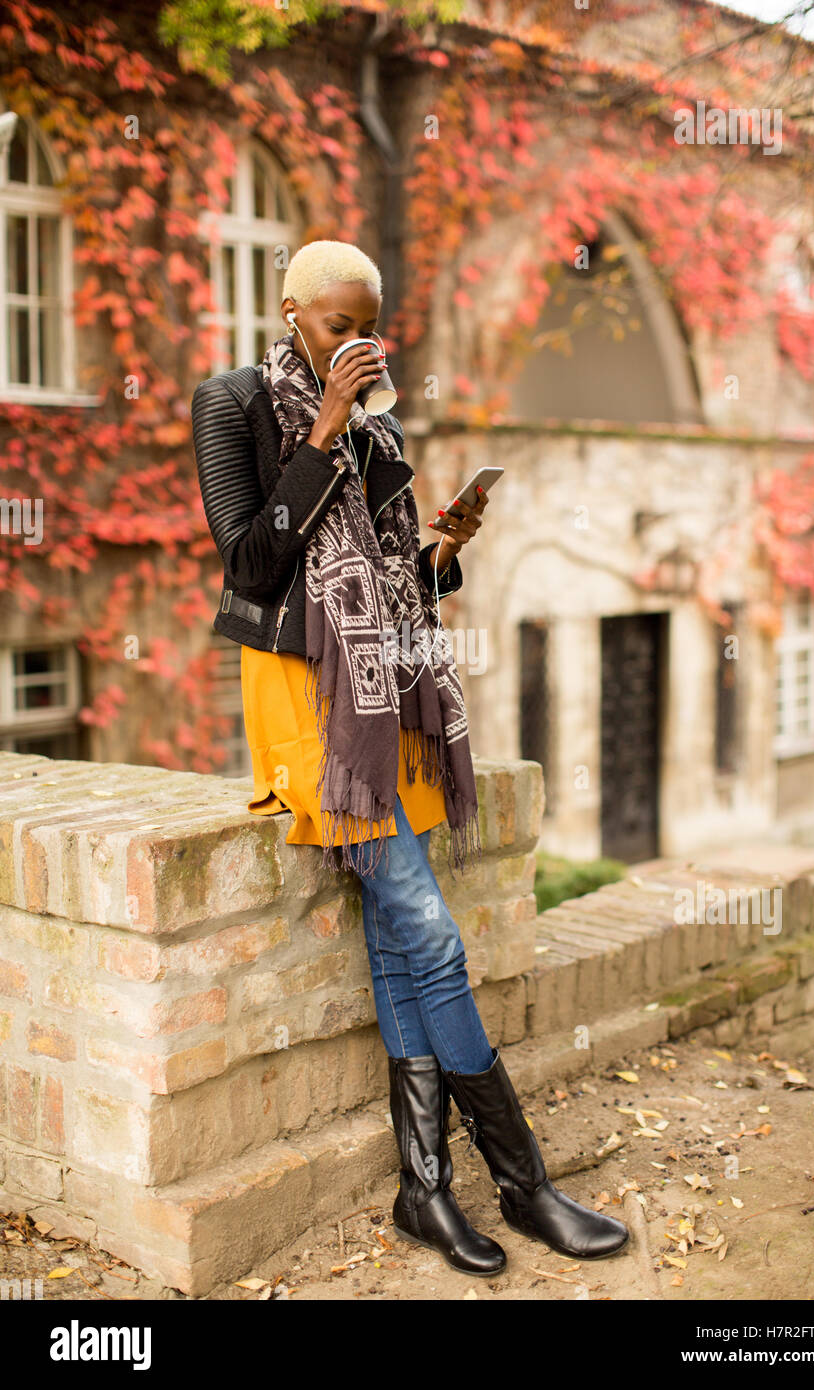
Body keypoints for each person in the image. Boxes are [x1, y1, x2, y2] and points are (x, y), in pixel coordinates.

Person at [193, 239, 629, 1278]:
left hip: (382, 688)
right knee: (429, 937)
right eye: (338, 324)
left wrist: (442, 547)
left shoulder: (384, 429)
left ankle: (424, 1188)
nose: (357, 341)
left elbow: (395, 586)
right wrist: (324, 429)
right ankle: (523, 1185)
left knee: (396, 943)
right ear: (293, 311)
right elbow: (251, 562)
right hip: (303, 696)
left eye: (368, 324)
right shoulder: (233, 401)